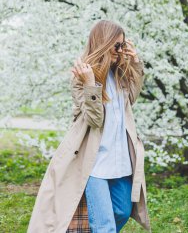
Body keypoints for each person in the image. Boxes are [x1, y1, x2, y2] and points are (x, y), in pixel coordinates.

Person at [27, 19, 151, 233]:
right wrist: (90, 83)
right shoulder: (81, 77)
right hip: (94, 162)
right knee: (104, 226)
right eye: (117, 46)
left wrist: (135, 62)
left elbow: (131, 98)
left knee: (121, 211)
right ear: (103, 43)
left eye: (123, 46)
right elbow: (96, 120)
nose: (120, 51)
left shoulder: (119, 72)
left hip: (120, 159)